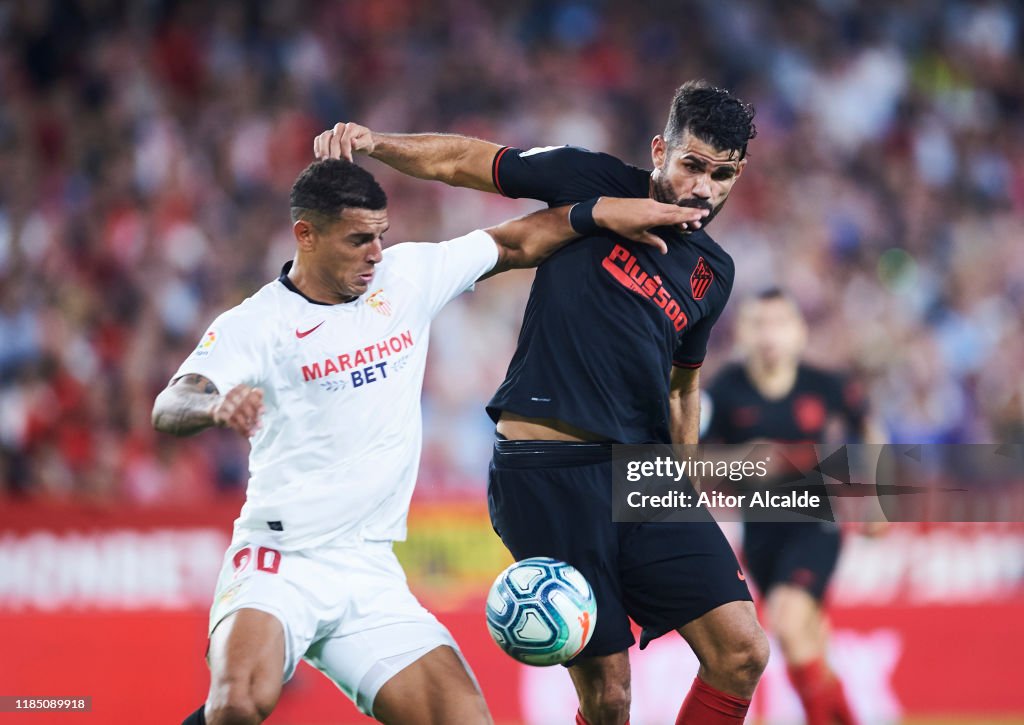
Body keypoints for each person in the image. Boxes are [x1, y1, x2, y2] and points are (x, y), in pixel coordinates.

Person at [151, 158, 705, 725]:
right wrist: (215, 405)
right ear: (306, 234)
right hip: (281, 559)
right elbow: (170, 404)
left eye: (381, 237)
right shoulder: (257, 324)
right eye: (359, 239)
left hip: (369, 570)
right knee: (240, 703)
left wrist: (608, 214)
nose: (375, 253)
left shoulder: (406, 276)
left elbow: (517, 242)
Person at [315, 80, 768, 725]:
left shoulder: (713, 273)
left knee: (743, 653)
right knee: (610, 697)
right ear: (660, 148)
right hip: (548, 469)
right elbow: (467, 161)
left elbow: (682, 382)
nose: (702, 188)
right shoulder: (595, 179)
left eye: (721, 175)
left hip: (645, 479)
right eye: (691, 165)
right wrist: (376, 143)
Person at [702, 288, 888, 725]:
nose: (769, 335)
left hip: (813, 526)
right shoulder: (723, 392)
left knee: (787, 622)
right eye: (758, 324)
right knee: (807, 644)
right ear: (742, 333)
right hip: (761, 535)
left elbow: (871, 429)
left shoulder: (825, 385)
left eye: (779, 323)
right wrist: (738, 460)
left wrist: (879, 502)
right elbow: (689, 461)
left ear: (799, 333)